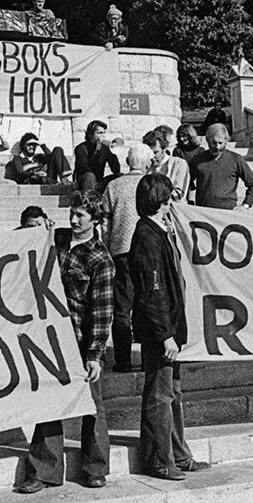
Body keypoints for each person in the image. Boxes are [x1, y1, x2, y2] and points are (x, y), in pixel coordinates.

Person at [15, 196, 113, 493]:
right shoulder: (55, 239)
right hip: (51, 340)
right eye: (72, 214)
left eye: (81, 216)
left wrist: (95, 353)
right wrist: (34, 230)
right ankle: (44, 470)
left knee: (92, 407)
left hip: (83, 341)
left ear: (95, 220)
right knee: (48, 404)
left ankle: (95, 469)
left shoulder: (100, 258)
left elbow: (102, 310)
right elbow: (16, 247)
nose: (74, 220)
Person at [129, 172, 208, 479]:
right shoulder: (147, 236)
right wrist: (165, 335)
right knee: (160, 395)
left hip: (169, 328)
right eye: (167, 199)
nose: (171, 203)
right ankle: (159, 459)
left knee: (172, 393)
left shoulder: (159, 231)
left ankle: (176, 453)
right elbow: (154, 291)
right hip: (160, 331)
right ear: (158, 200)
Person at [104, 144, 155, 373]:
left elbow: (104, 222)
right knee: (145, 305)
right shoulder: (151, 184)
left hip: (121, 249)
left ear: (127, 161)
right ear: (147, 163)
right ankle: (147, 359)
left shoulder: (113, 185)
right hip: (147, 250)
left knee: (122, 307)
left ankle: (123, 360)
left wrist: (108, 245)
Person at [189, 123, 253, 210]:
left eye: (220, 143)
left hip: (228, 212)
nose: (217, 147)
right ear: (207, 140)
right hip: (204, 212)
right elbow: (188, 182)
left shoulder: (236, 159)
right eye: (214, 143)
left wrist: (246, 205)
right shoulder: (198, 160)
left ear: (226, 141)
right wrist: (189, 202)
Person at [73, 120, 121, 193]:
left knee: (119, 176)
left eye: (104, 132)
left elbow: (116, 169)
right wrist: (97, 151)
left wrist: (112, 152)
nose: (103, 136)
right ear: (91, 135)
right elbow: (86, 169)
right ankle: (90, 202)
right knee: (90, 176)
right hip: (84, 182)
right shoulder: (81, 148)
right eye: (99, 133)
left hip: (99, 181)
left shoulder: (104, 149)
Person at [5, 133, 71, 185]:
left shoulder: (39, 157)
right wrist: (34, 173)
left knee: (58, 149)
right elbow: (20, 173)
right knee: (38, 178)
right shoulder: (18, 158)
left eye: (34, 145)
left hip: (47, 177)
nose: (32, 147)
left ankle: (63, 177)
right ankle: (56, 184)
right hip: (31, 179)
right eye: (29, 145)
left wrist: (42, 145)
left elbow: (53, 158)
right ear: (23, 145)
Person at [145, 125, 190, 201]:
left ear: (164, 149)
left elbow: (179, 194)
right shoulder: (146, 166)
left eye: (156, 152)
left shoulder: (179, 164)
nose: (152, 156)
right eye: (149, 153)